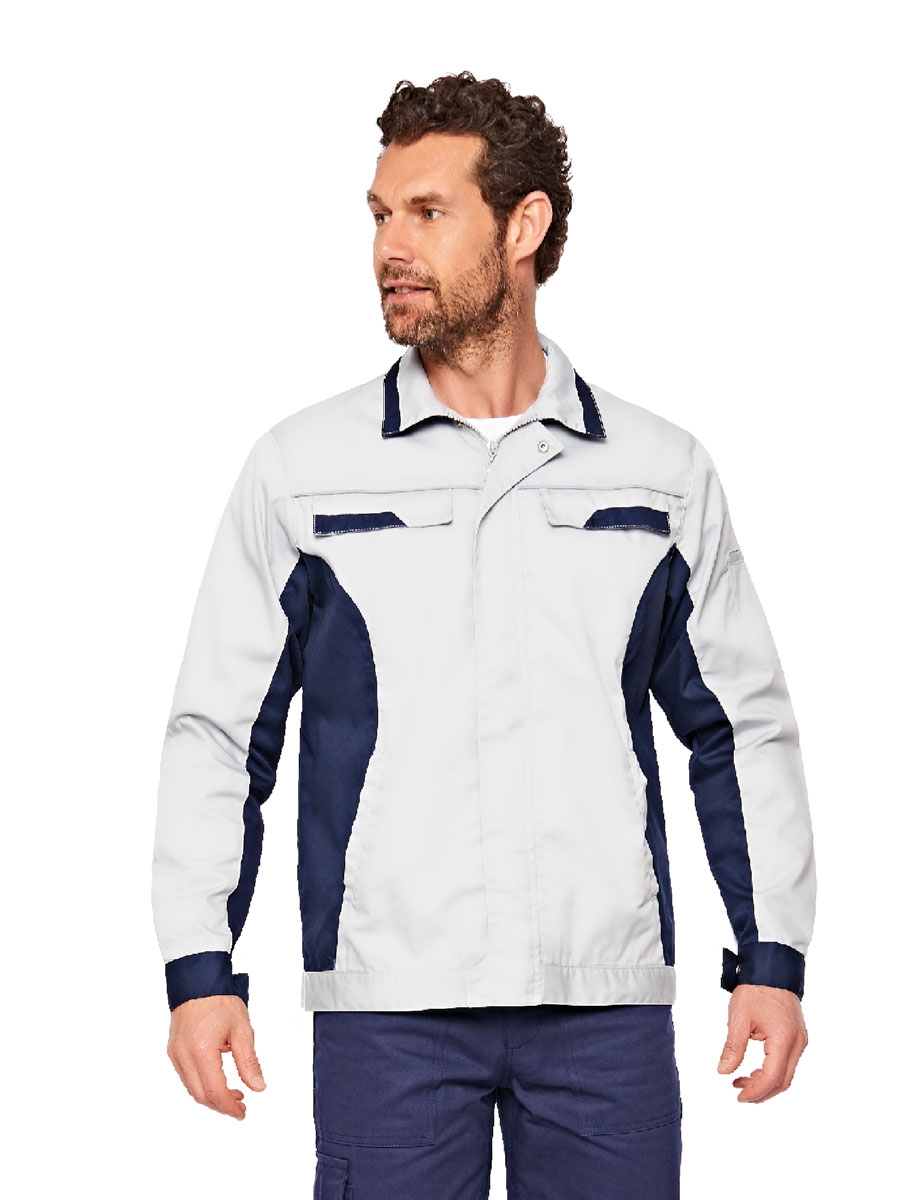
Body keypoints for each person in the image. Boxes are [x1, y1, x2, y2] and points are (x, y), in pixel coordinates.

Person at [152, 72, 815, 1199]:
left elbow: (741, 727)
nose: (389, 247)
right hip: (389, 1009)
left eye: (428, 211)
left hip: (603, 1005)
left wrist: (773, 956)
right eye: (379, 214)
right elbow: (220, 731)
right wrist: (199, 967)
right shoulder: (304, 471)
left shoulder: (658, 474)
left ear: (524, 225)